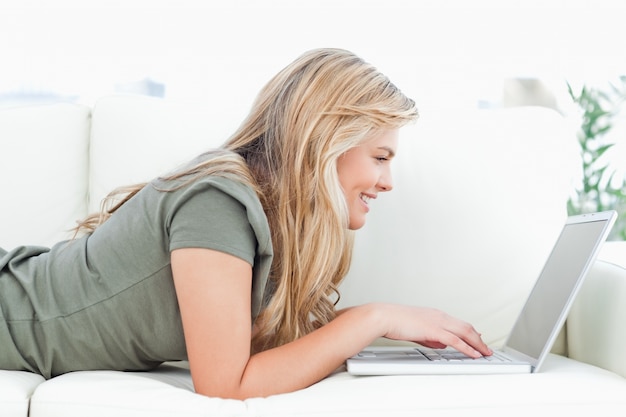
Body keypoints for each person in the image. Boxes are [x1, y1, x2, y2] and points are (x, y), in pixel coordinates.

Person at [0, 48, 491, 399]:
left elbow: (270, 343)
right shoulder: (219, 203)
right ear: (327, 143)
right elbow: (226, 383)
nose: (387, 182)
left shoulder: (261, 217)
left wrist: (387, 323)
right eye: (380, 156)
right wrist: (374, 319)